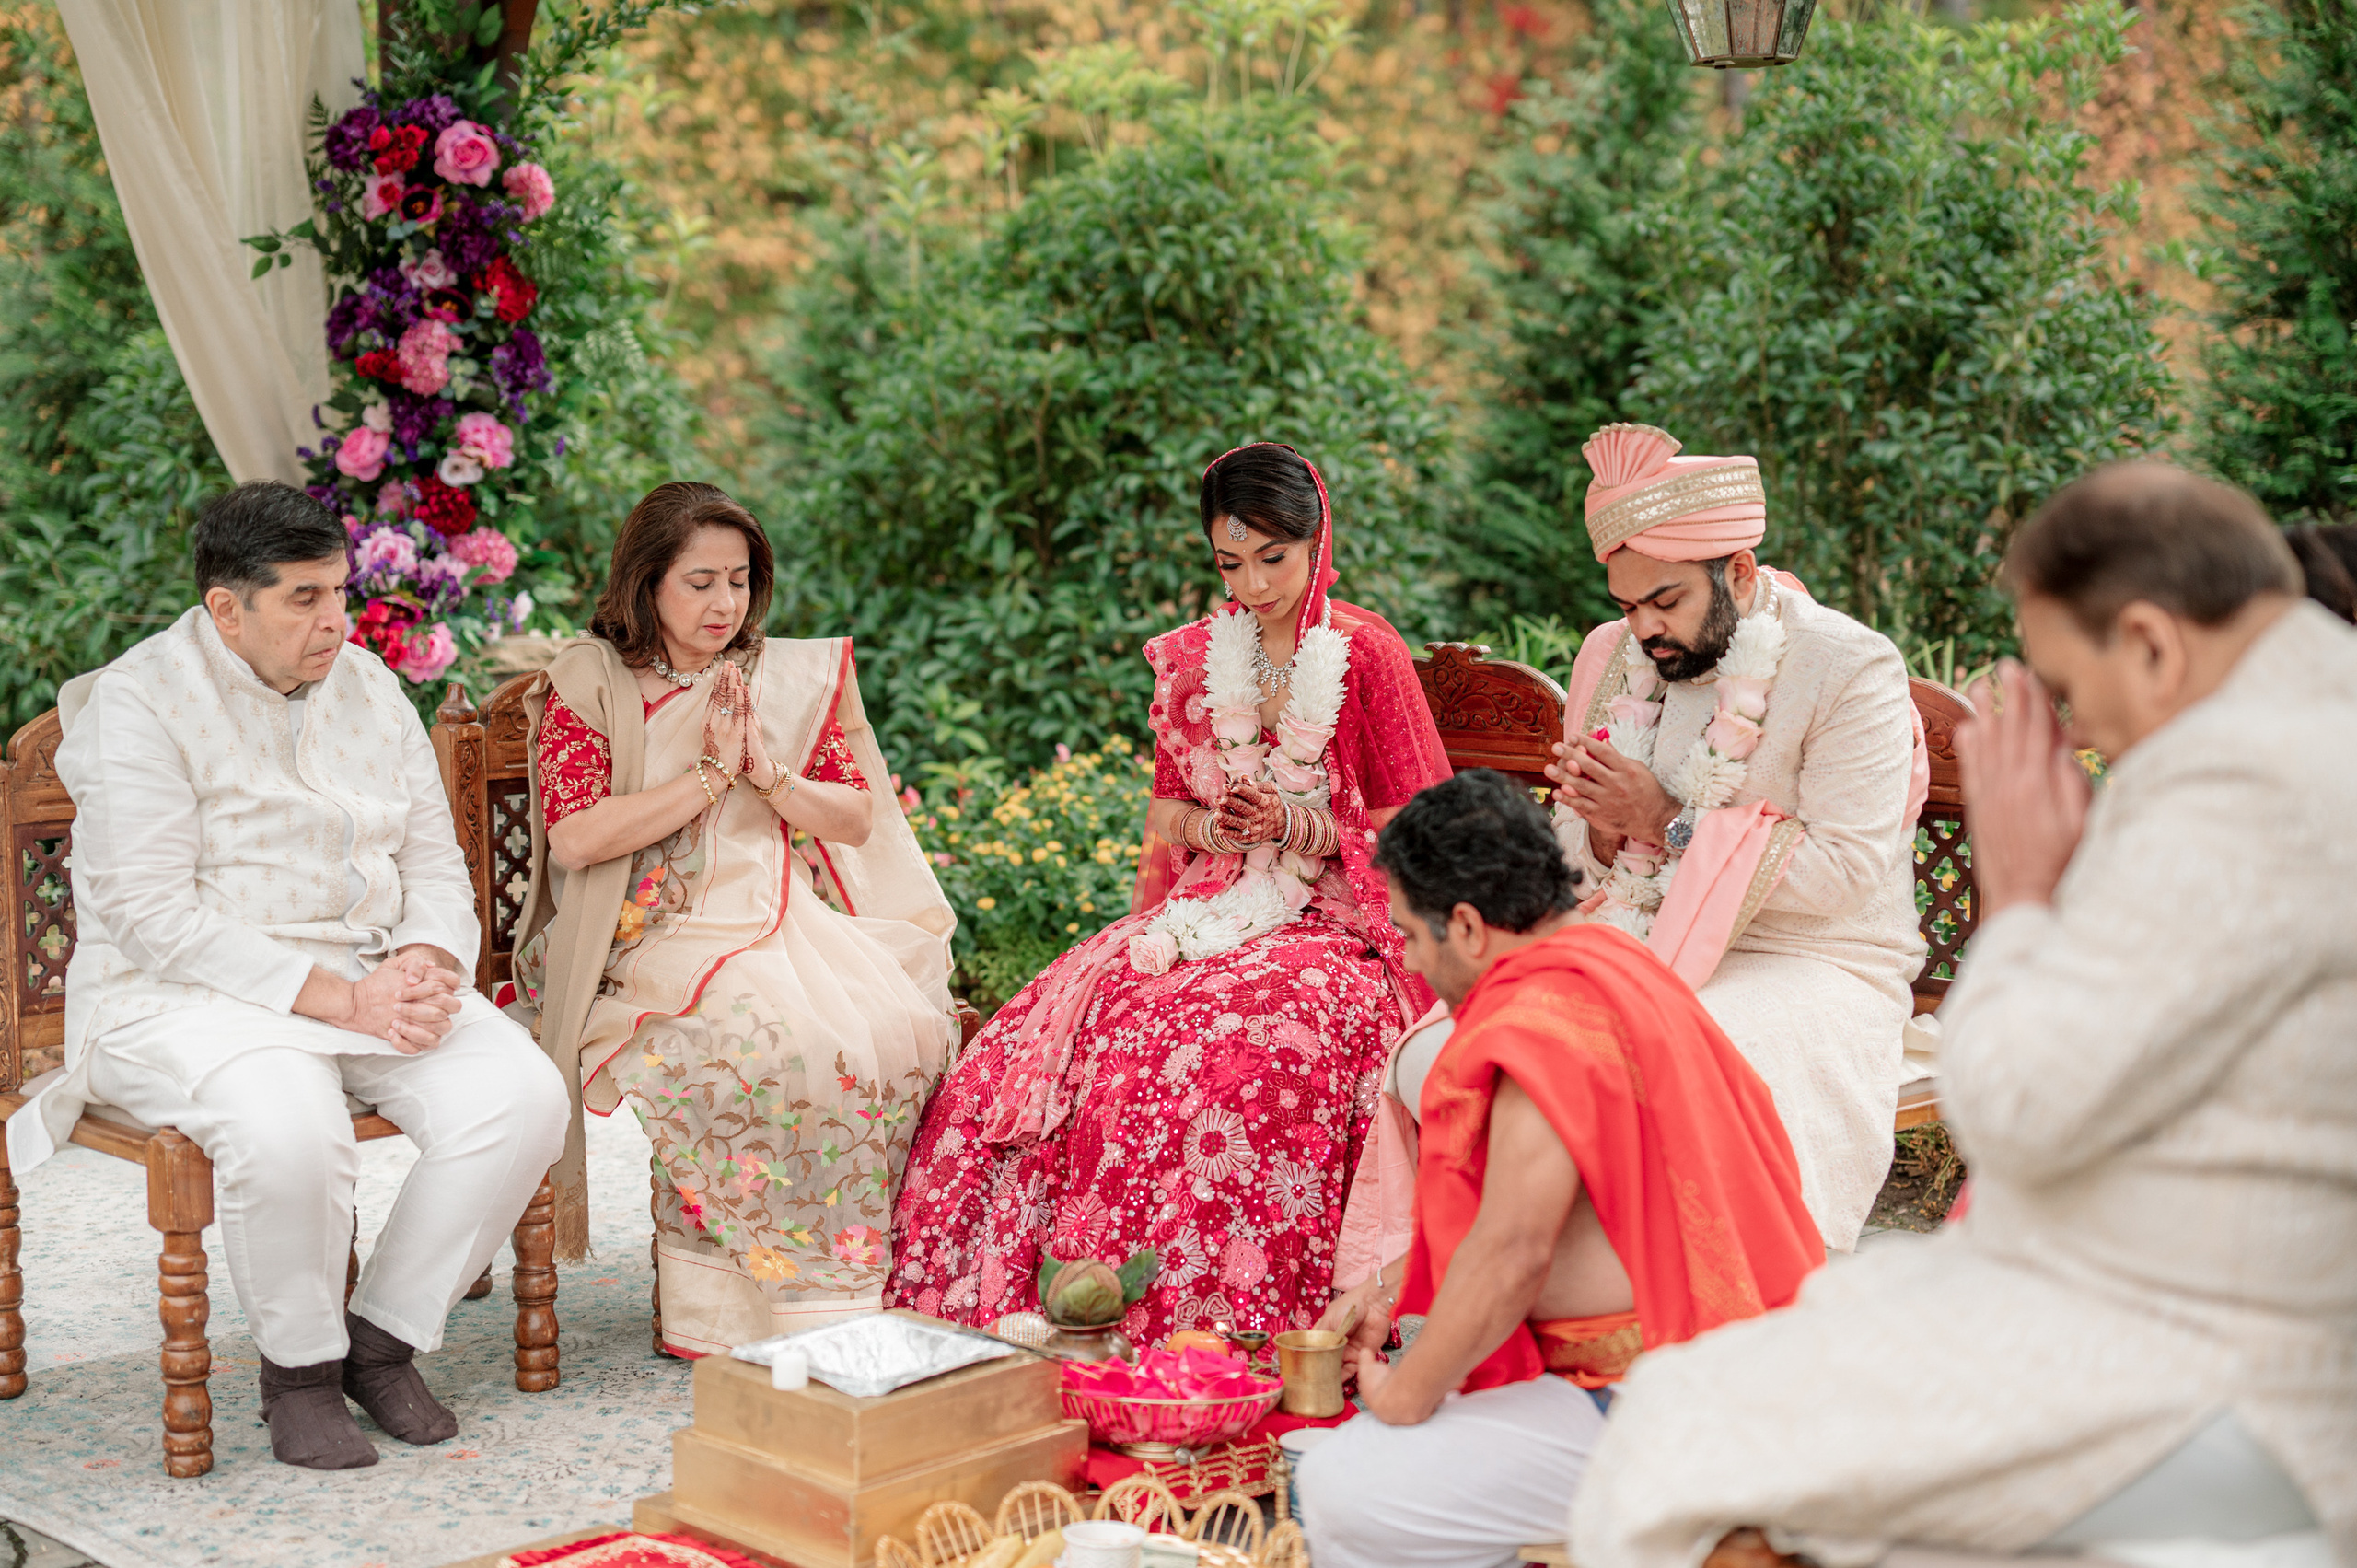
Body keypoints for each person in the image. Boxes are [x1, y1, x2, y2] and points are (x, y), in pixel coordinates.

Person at [1572, 464, 2357, 1568]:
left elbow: (2013, 1110)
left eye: (2068, 685)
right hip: (2160, 1288)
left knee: (1674, 1422)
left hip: (2196, 1347)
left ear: (2150, 642)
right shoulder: (2312, 717)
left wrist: (2027, 894)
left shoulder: (2234, 785)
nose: (2078, 726)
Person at [1, 482, 569, 1470]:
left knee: (522, 1093)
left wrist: (424, 963)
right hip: (180, 996)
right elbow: (152, 914)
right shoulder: (140, 702)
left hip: (366, 973)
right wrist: (346, 1000)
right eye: (304, 598)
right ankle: (299, 1370)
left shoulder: (370, 685)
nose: (333, 621)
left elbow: (434, 861)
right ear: (227, 607)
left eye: (339, 592)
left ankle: (382, 1340)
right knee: (289, 1121)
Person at [885, 443, 1454, 1342]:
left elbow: (1425, 833)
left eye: (1274, 556)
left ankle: (1218, 1320)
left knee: (1240, 1033)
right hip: (1215, 899)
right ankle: (1065, 1294)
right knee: (1096, 1003)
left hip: (1344, 918)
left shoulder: (1365, 652)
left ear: (1317, 540)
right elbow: (1165, 812)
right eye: (1231, 562)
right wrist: (1215, 829)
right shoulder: (1199, 659)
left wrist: (1295, 828)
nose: (1254, 584)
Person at [1295, 770, 1822, 1568]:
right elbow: (1550, 1213)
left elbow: (1513, 1253)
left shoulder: (1542, 1021)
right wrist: (1382, 1290)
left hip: (1660, 1401)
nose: (1407, 957)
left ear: (1467, 926)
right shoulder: (1615, 962)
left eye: (1410, 933)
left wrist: (1400, 1394)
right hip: (1740, 1366)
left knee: (1343, 1479)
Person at [508, 482, 958, 1355]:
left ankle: (849, 1294)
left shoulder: (779, 681)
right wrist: (709, 779)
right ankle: (737, 1308)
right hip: (642, 935)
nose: (725, 604)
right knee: (767, 1048)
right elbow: (576, 838)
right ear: (646, 585)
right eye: (700, 582)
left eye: (740, 581)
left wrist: (767, 772)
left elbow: (856, 817)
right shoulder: (592, 685)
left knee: (901, 1031)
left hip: (781, 920)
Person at [1546, 422, 1926, 1251]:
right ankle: (1553, 1311)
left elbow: (1844, 872)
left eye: (1667, 600)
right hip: (1635, 937)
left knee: (1675, 1057)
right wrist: (1607, 831)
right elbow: (1573, 850)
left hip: (1813, 958)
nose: (1644, 627)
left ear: (1741, 573)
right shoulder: (1611, 657)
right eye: (1627, 604)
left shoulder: (1846, 664)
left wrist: (1664, 820)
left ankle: (1699, 1317)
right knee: (1487, 1034)